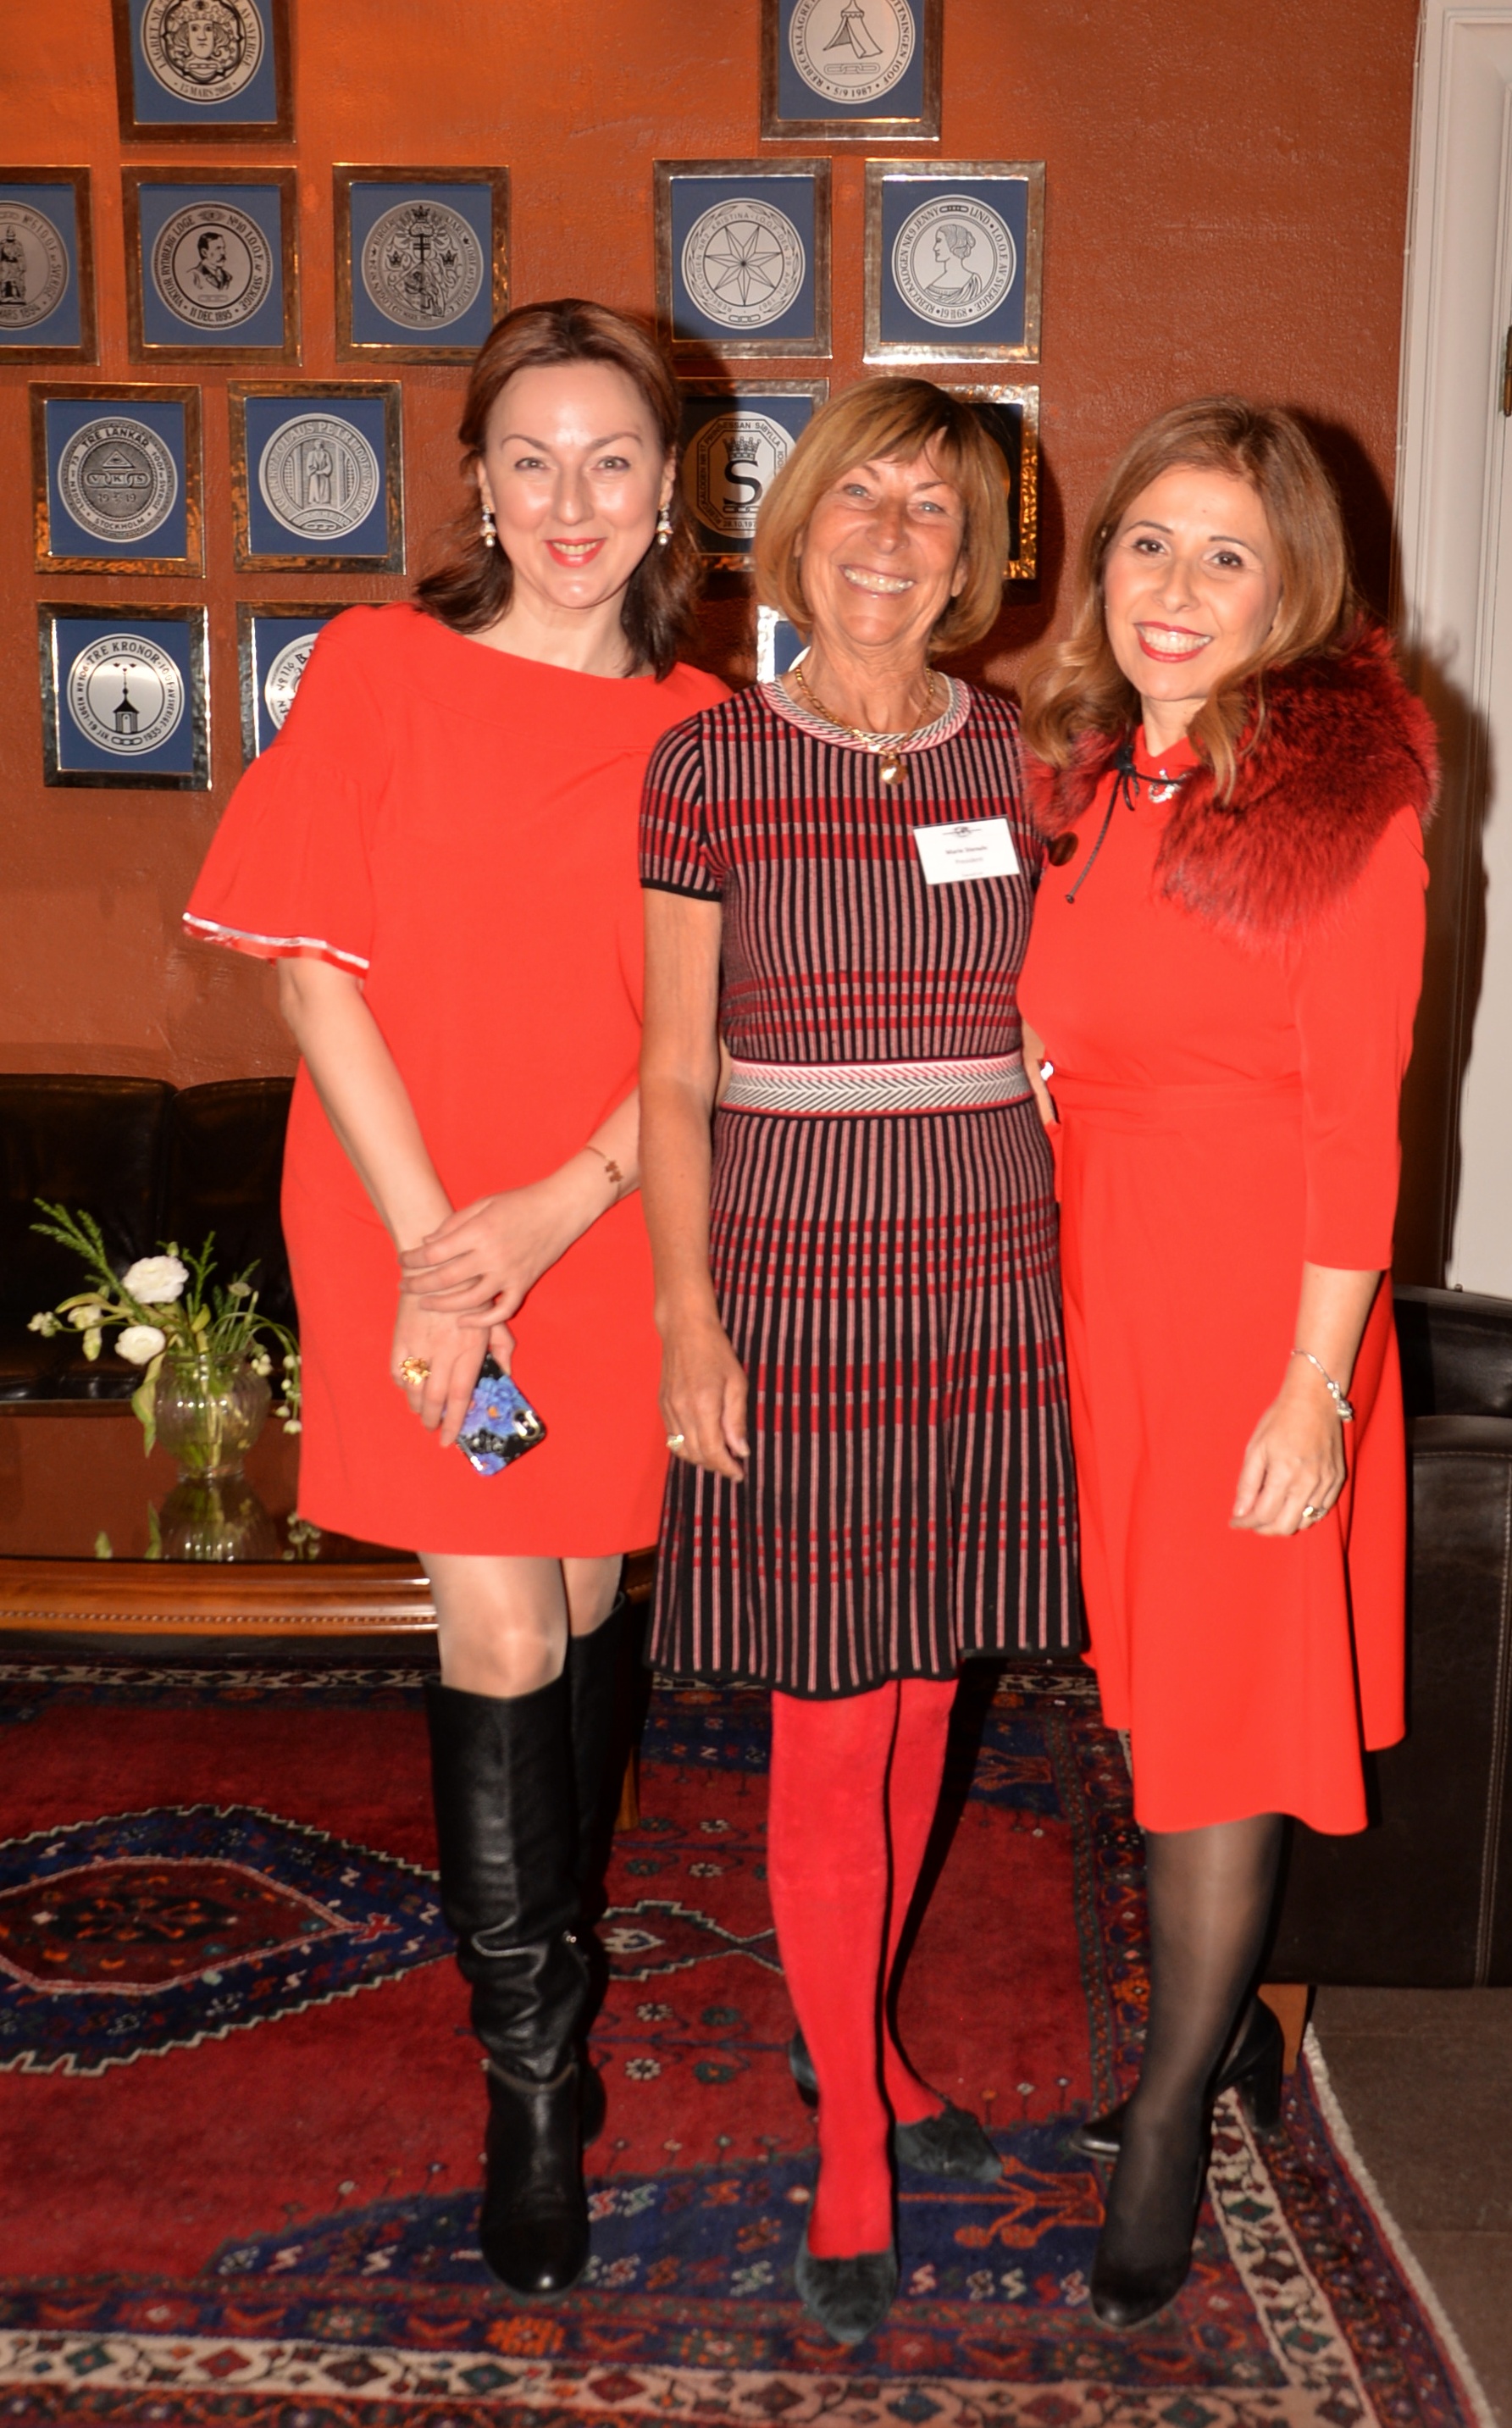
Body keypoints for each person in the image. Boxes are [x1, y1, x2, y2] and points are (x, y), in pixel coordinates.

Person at [183, 299, 726, 2302]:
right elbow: (309, 969)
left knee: (579, 1598)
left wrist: (555, 1211)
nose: (571, 501)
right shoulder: (380, 666)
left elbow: (702, 1027)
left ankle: (550, 1983)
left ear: (664, 487)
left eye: (610, 460)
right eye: (531, 459)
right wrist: (444, 1251)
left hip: (594, 1223)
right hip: (407, 1225)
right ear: (477, 483)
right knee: (498, 1612)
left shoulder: (707, 731)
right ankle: (532, 2086)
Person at [638, 377, 1080, 2348]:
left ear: (973, 554)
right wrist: (685, 1314)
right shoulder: (708, 763)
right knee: (828, 1705)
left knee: (923, 1688)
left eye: (934, 507)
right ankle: (845, 2142)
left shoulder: (1020, 751)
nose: (891, 536)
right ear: (798, 519)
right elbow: (669, 1073)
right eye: (861, 497)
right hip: (794, 1268)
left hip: (988, 1267)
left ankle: (873, 2049)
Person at [1016, 397, 1436, 2330]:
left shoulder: (1340, 814)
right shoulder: (1100, 785)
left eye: (1224, 556)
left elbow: (1357, 1130)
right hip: (1112, 1298)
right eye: (1146, 544)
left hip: (1261, 1323)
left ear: (1292, 594)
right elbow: (1075, 1029)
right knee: (1155, 1705)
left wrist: (1312, 1387)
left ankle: (1172, 2111)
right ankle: (1219, 2048)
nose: (1172, 590)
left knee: (1212, 1737)